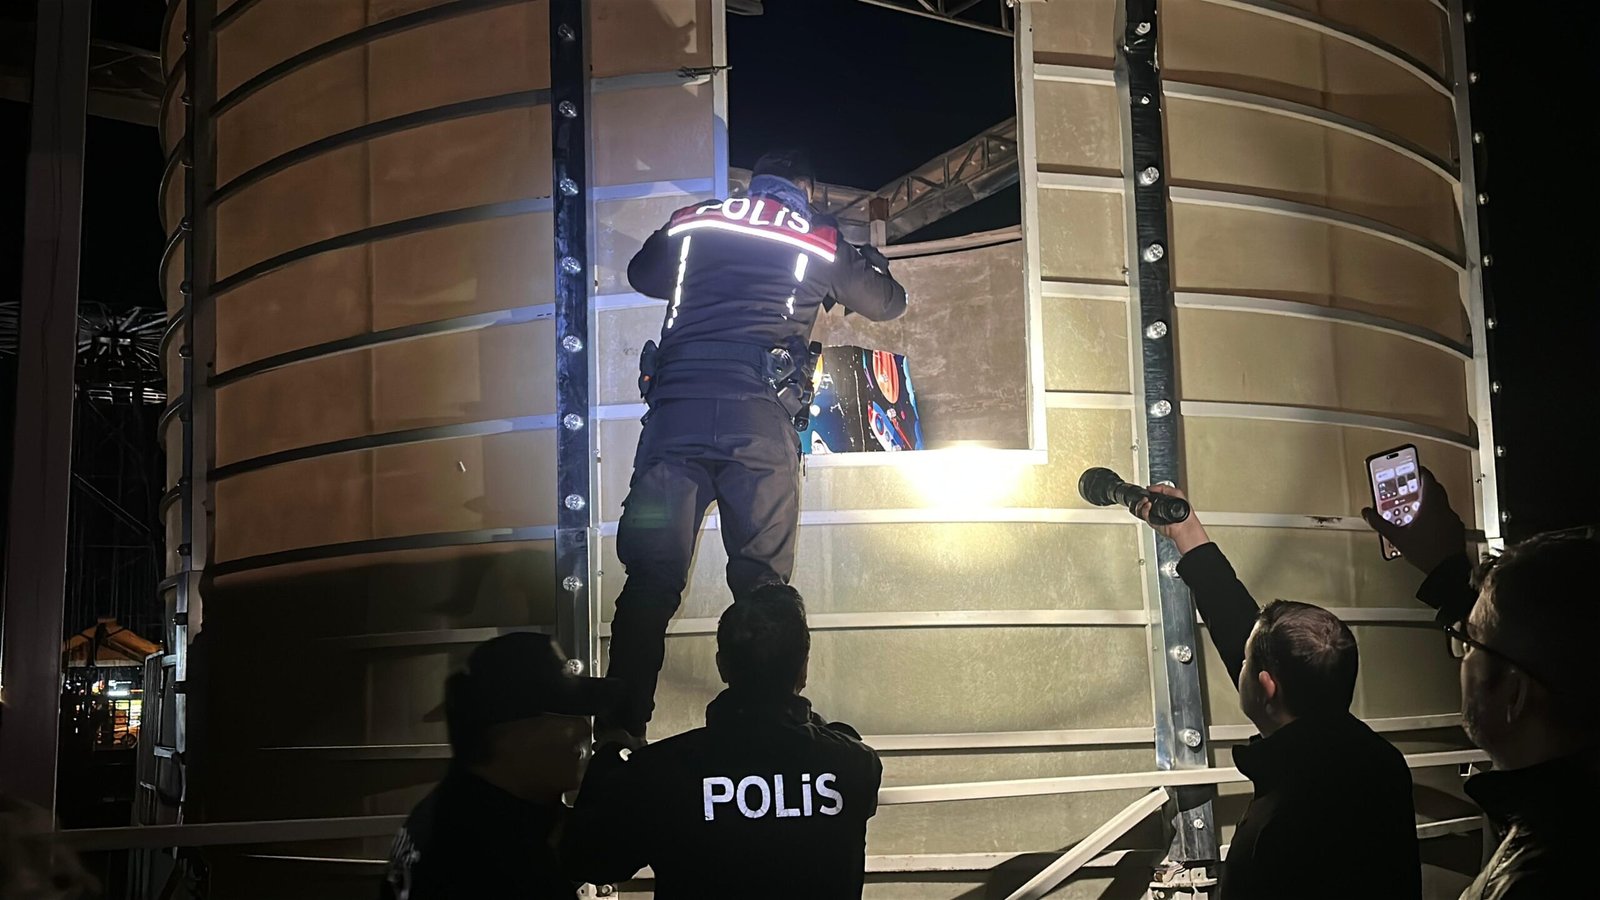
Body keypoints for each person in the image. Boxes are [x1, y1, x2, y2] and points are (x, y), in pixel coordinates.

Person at [602, 150, 908, 744]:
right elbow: (889, 304)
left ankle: (617, 736)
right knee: (764, 589)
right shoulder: (817, 236)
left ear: (753, 184)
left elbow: (644, 275)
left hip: (673, 427)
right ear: (805, 187)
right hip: (758, 432)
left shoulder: (695, 218)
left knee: (648, 582)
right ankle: (769, 733)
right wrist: (864, 260)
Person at [1136, 485, 1420, 900]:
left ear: (1267, 687)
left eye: (1246, 663)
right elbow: (1238, 626)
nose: (1239, 664)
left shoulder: (1277, 825)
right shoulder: (1381, 764)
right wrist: (1185, 531)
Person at [563, 585, 883, 898]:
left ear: (722, 666)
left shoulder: (659, 772)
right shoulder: (855, 765)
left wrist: (607, 760)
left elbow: (590, 861)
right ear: (804, 668)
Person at [1365, 476, 1597, 898]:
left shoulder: (1532, 882)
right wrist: (1445, 566)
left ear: (1515, 694)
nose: (1461, 656)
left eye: (1468, 642)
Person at [379, 633, 620, 900]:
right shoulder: (490, 858)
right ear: (508, 735)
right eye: (565, 717)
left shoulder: (458, 811)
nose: (583, 731)